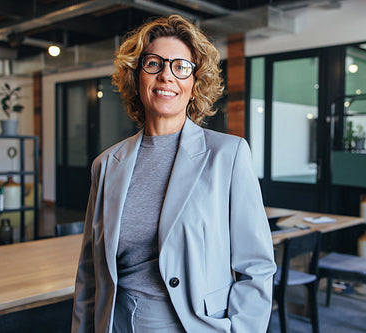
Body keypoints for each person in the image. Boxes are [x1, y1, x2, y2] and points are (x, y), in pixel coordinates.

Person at [72, 15, 276, 333]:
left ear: (194, 85)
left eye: (181, 67)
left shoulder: (228, 155)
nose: (166, 76)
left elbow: (256, 266)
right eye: (154, 64)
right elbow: (90, 272)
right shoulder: (106, 164)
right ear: (137, 78)